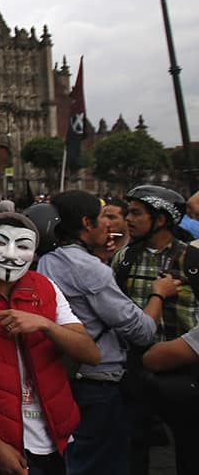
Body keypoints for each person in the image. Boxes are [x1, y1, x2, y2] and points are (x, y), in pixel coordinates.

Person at [0, 212, 99, 475]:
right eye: (0, 243)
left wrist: (45, 324)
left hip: (53, 437)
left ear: (35, 251)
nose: (11, 254)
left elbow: (91, 353)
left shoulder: (46, 288)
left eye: (23, 246)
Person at [37, 191, 177, 475]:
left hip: (65, 376)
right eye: (104, 217)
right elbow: (142, 331)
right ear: (87, 223)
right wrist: (158, 296)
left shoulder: (48, 260)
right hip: (99, 383)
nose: (114, 223)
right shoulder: (90, 269)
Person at [111, 184, 197, 475]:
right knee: (135, 449)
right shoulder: (124, 258)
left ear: (160, 219)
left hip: (184, 369)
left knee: (189, 450)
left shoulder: (192, 259)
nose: (128, 220)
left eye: (136, 213)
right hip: (136, 369)